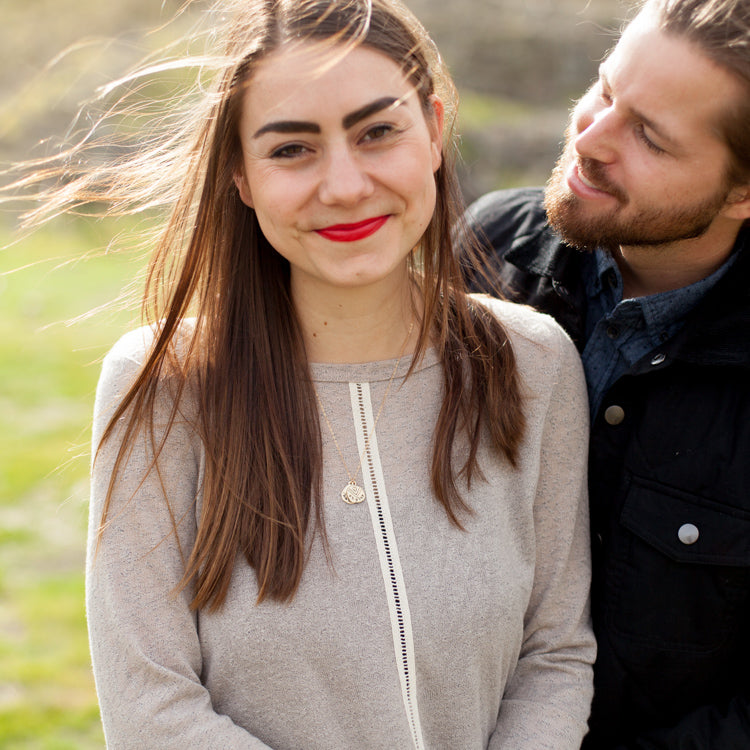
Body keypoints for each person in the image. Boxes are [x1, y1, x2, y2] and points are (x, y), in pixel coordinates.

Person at [7, 0, 594, 746]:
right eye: (292, 149)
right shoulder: (163, 382)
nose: (345, 185)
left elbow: (556, 655)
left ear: (436, 131)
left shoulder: (533, 363)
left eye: (377, 131)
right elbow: (151, 705)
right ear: (241, 176)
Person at [464, 0, 750, 747]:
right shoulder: (483, 250)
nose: (589, 137)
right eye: (603, 89)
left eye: (648, 136)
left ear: (745, 193)